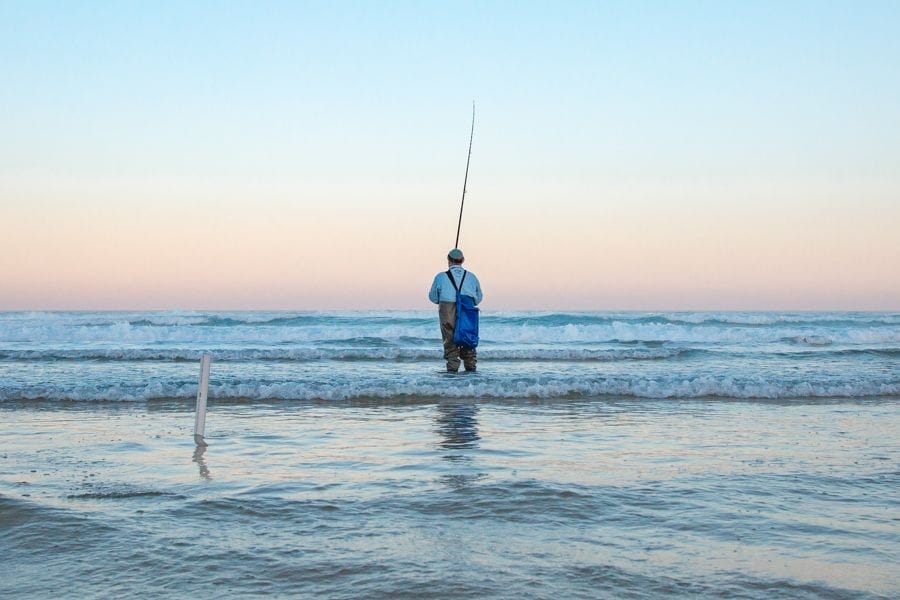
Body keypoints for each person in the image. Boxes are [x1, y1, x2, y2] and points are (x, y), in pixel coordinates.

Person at [428, 248, 483, 373]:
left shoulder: (440, 277)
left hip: (447, 308)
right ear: (462, 260)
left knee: (449, 338)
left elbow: (433, 297)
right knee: (467, 336)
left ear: (448, 261)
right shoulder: (472, 277)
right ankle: (471, 371)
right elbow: (479, 298)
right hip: (467, 307)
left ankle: (452, 372)